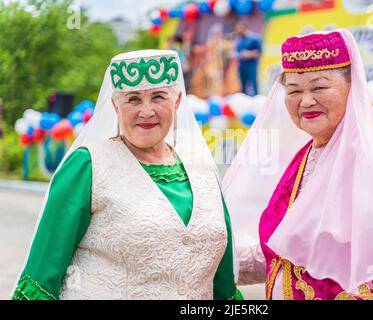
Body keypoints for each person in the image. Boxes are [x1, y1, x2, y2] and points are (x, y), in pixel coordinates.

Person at [222, 29, 373, 300]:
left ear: (353, 87)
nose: (306, 101)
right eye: (294, 90)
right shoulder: (304, 157)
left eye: (319, 87)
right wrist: (218, 260)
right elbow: (288, 253)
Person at [12, 50, 241, 300]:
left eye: (158, 97)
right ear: (115, 105)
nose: (146, 111)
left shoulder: (203, 169)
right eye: (133, 99)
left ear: (176, 102)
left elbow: (223, 286)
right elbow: (42, 277)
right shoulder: (88, 166)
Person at [234, 22, 262, 96]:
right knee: (242, 85)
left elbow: (259, 52)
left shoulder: (254, 38)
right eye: (237, 30)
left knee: (253, 84)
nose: (238, 31)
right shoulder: (238, 40)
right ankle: (243, 101)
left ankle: (256, 100)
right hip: (241, 65)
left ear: (244, 28)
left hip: (251, 65)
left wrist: (249, 54)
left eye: (239, 29)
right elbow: (238, 52)